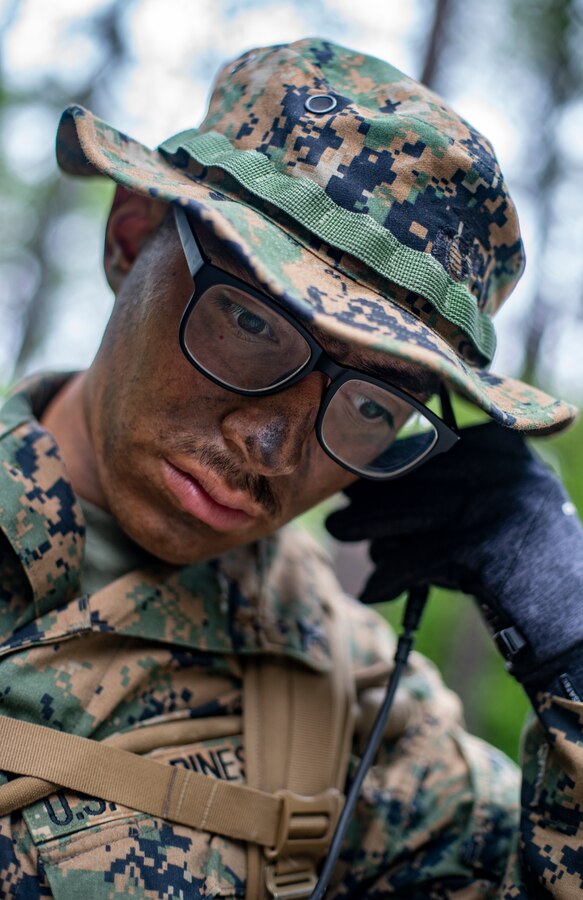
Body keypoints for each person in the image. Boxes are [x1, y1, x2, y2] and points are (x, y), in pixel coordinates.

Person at [0, 36, 582, 899]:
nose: (270, 448)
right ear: (130, 236)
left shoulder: (357, 713)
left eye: (371, 405)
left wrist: (572, 641)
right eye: (250, 324)